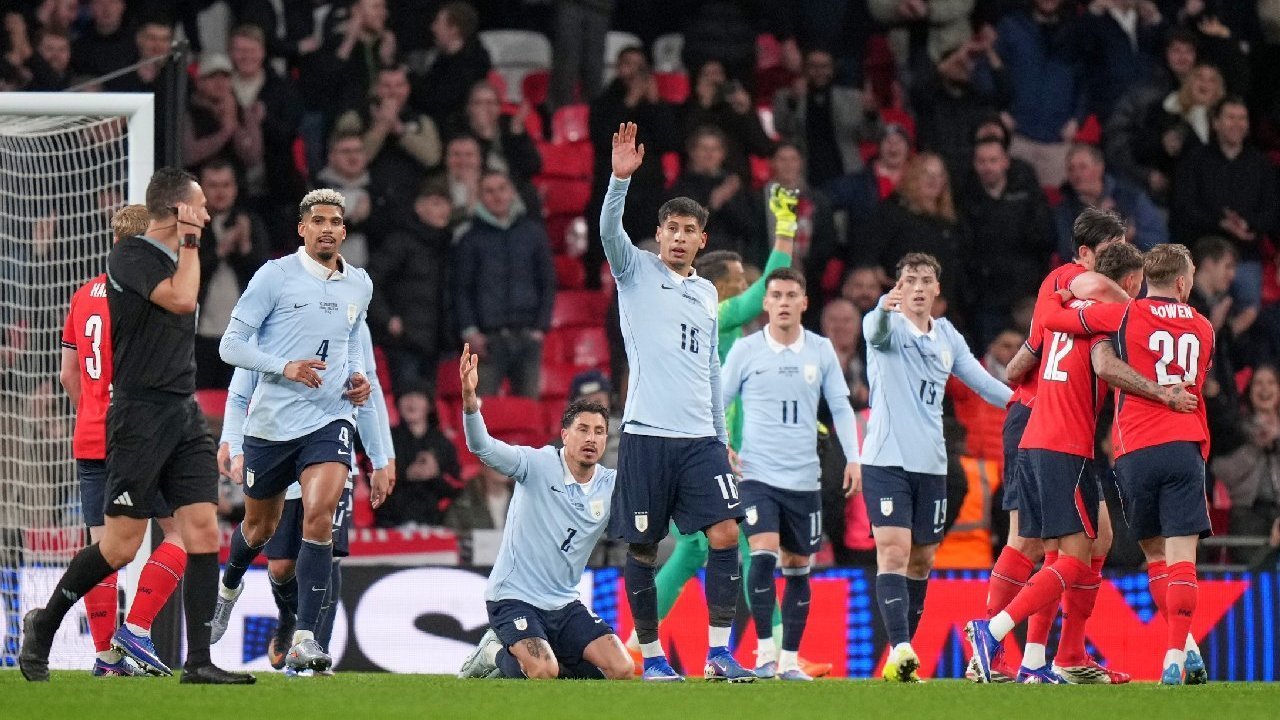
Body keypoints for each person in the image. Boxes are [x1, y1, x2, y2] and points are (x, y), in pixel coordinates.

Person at [20, 169, 252, 684]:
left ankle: (198, 662)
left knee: (202, 532)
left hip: (183, 410)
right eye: (199, 206)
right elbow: (181, 300)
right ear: (176, 210)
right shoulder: (129, 256)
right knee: (121, 545)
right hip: (140, 414)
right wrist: (192, 242)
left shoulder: (179, 258)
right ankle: (45, 623)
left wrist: (191, 246)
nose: (208, 214)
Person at [998, 243, 1214, 686]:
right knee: (1178, 559)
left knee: (1138, 551)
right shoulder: (1204, 326)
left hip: (1131, 450)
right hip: (1182, 444)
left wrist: (1054, 292)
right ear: (1181, 283)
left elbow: (1057, 330)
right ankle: (1176, 654)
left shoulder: (1124, 316)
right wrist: (1167, 392)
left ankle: (1047, 654)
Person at [633, 184, 827, 677]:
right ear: (718, 287)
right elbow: (767, 293)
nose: (748, 289)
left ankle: (641, 643)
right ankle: (776, 652)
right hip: (690, 444)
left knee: (712, 545)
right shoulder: (712, 314)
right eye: (738, 281)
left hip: (719, 446)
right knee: (726, 545)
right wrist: (785, 229)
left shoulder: (730, 333)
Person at [601, 122, 754, 682]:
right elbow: (608, 232)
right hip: (646, 433)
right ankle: (652, 655)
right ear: (659, 234)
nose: (680, 238)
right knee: (644, 548)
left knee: (726, 534)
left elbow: (710, 366)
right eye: (671, 228)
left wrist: (721, 437)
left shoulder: (706, 292)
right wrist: (620, 180)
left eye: (690, 230)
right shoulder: (634, 271)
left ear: (701, 240)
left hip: (700, 440)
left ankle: (717, 654)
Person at [211, 189, 375, 674]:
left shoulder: (359, 283)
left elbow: (352, 341)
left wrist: (358, 379)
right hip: (272, 424)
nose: (327, 228)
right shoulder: (273, 276)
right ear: (302, 228)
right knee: (259, 528)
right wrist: (284, 367)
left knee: (320, 515)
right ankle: (229, 587)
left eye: (336, 221)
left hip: (329, 418)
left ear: (344, 231)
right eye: (318, 220)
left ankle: (304, 636)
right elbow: (229, 346)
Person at [976, 207, 1133, 683]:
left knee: (1093, 537)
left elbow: (1027, 352)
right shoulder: (1070, 282)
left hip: (1059, 421)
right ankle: (995, 648)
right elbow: (1031, 350)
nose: (1115, 264)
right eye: (1108, 252)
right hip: (1039, 421)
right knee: (1032, 541)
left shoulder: (1072, 297)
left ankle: (1054, 657)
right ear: (1085, 254)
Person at [860, 252, 1012, 682]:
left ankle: (900, 662)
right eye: (910, 280)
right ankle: (902, 647)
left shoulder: (947, 336)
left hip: (932, 464)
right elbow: (875, 330)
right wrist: (882, 307)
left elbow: (980, 382)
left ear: (937, 290)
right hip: (885, 459)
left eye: (927, 280)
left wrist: (1026, 404)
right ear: (899, 287)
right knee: (893, 550)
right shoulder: (885, 325)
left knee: (923, 560)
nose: (919, 287)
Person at [57, 205, 189, 677]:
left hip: (92, 435)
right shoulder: (151, 294)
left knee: (102, 548)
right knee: (185, 531)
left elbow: (68, 372)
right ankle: (136, 628)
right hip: (144, 433)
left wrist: (94, 411)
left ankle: (106, 657)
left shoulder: (83, 294)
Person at [217, 320, 393, 675]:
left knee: (324, 547)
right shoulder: (270, 318)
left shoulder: (352, 317)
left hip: (329, 447)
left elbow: (367, 391)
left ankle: (313, 653)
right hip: (278, 447)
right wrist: (233, 444)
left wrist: (381, 457)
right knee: (280, 566)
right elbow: (239, 395)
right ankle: (287, 616)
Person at [455, 346, 633, 681]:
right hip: (514, 597)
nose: (591, 438)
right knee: (542, 670)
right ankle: (493, 650)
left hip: (564, 604)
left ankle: (515, 662)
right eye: (582, 429)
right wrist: (469, 399)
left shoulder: (611, 484)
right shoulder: (537, 464)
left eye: (598, 431)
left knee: (621, 670)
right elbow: (483, 446)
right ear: (565, 435)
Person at [722, 267, 862, 680]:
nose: (783, 302)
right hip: (757, 475)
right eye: (776, 295)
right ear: (765, 303)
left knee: (799, 565)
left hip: (804, 479)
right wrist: (721, 444)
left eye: (791, 295)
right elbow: (718, 400)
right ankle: (765, 654)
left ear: (804, 303)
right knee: (762, 555)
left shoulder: (820, 351)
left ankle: (788, 660)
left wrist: (853, 458)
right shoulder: (746, 351)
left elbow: (840, 406)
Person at [453, 170, 557, 398]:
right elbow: (461, 290)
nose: (497, 196)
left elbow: (548, 282)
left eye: (501, 189)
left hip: (528, 337)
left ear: (511, 192)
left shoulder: (533, 234)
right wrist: (470, 332)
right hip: (487, 341)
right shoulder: (469, 239)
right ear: (480, 197)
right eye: (489, 191)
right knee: (483, 414)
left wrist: (540, 328)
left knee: (529, 412)